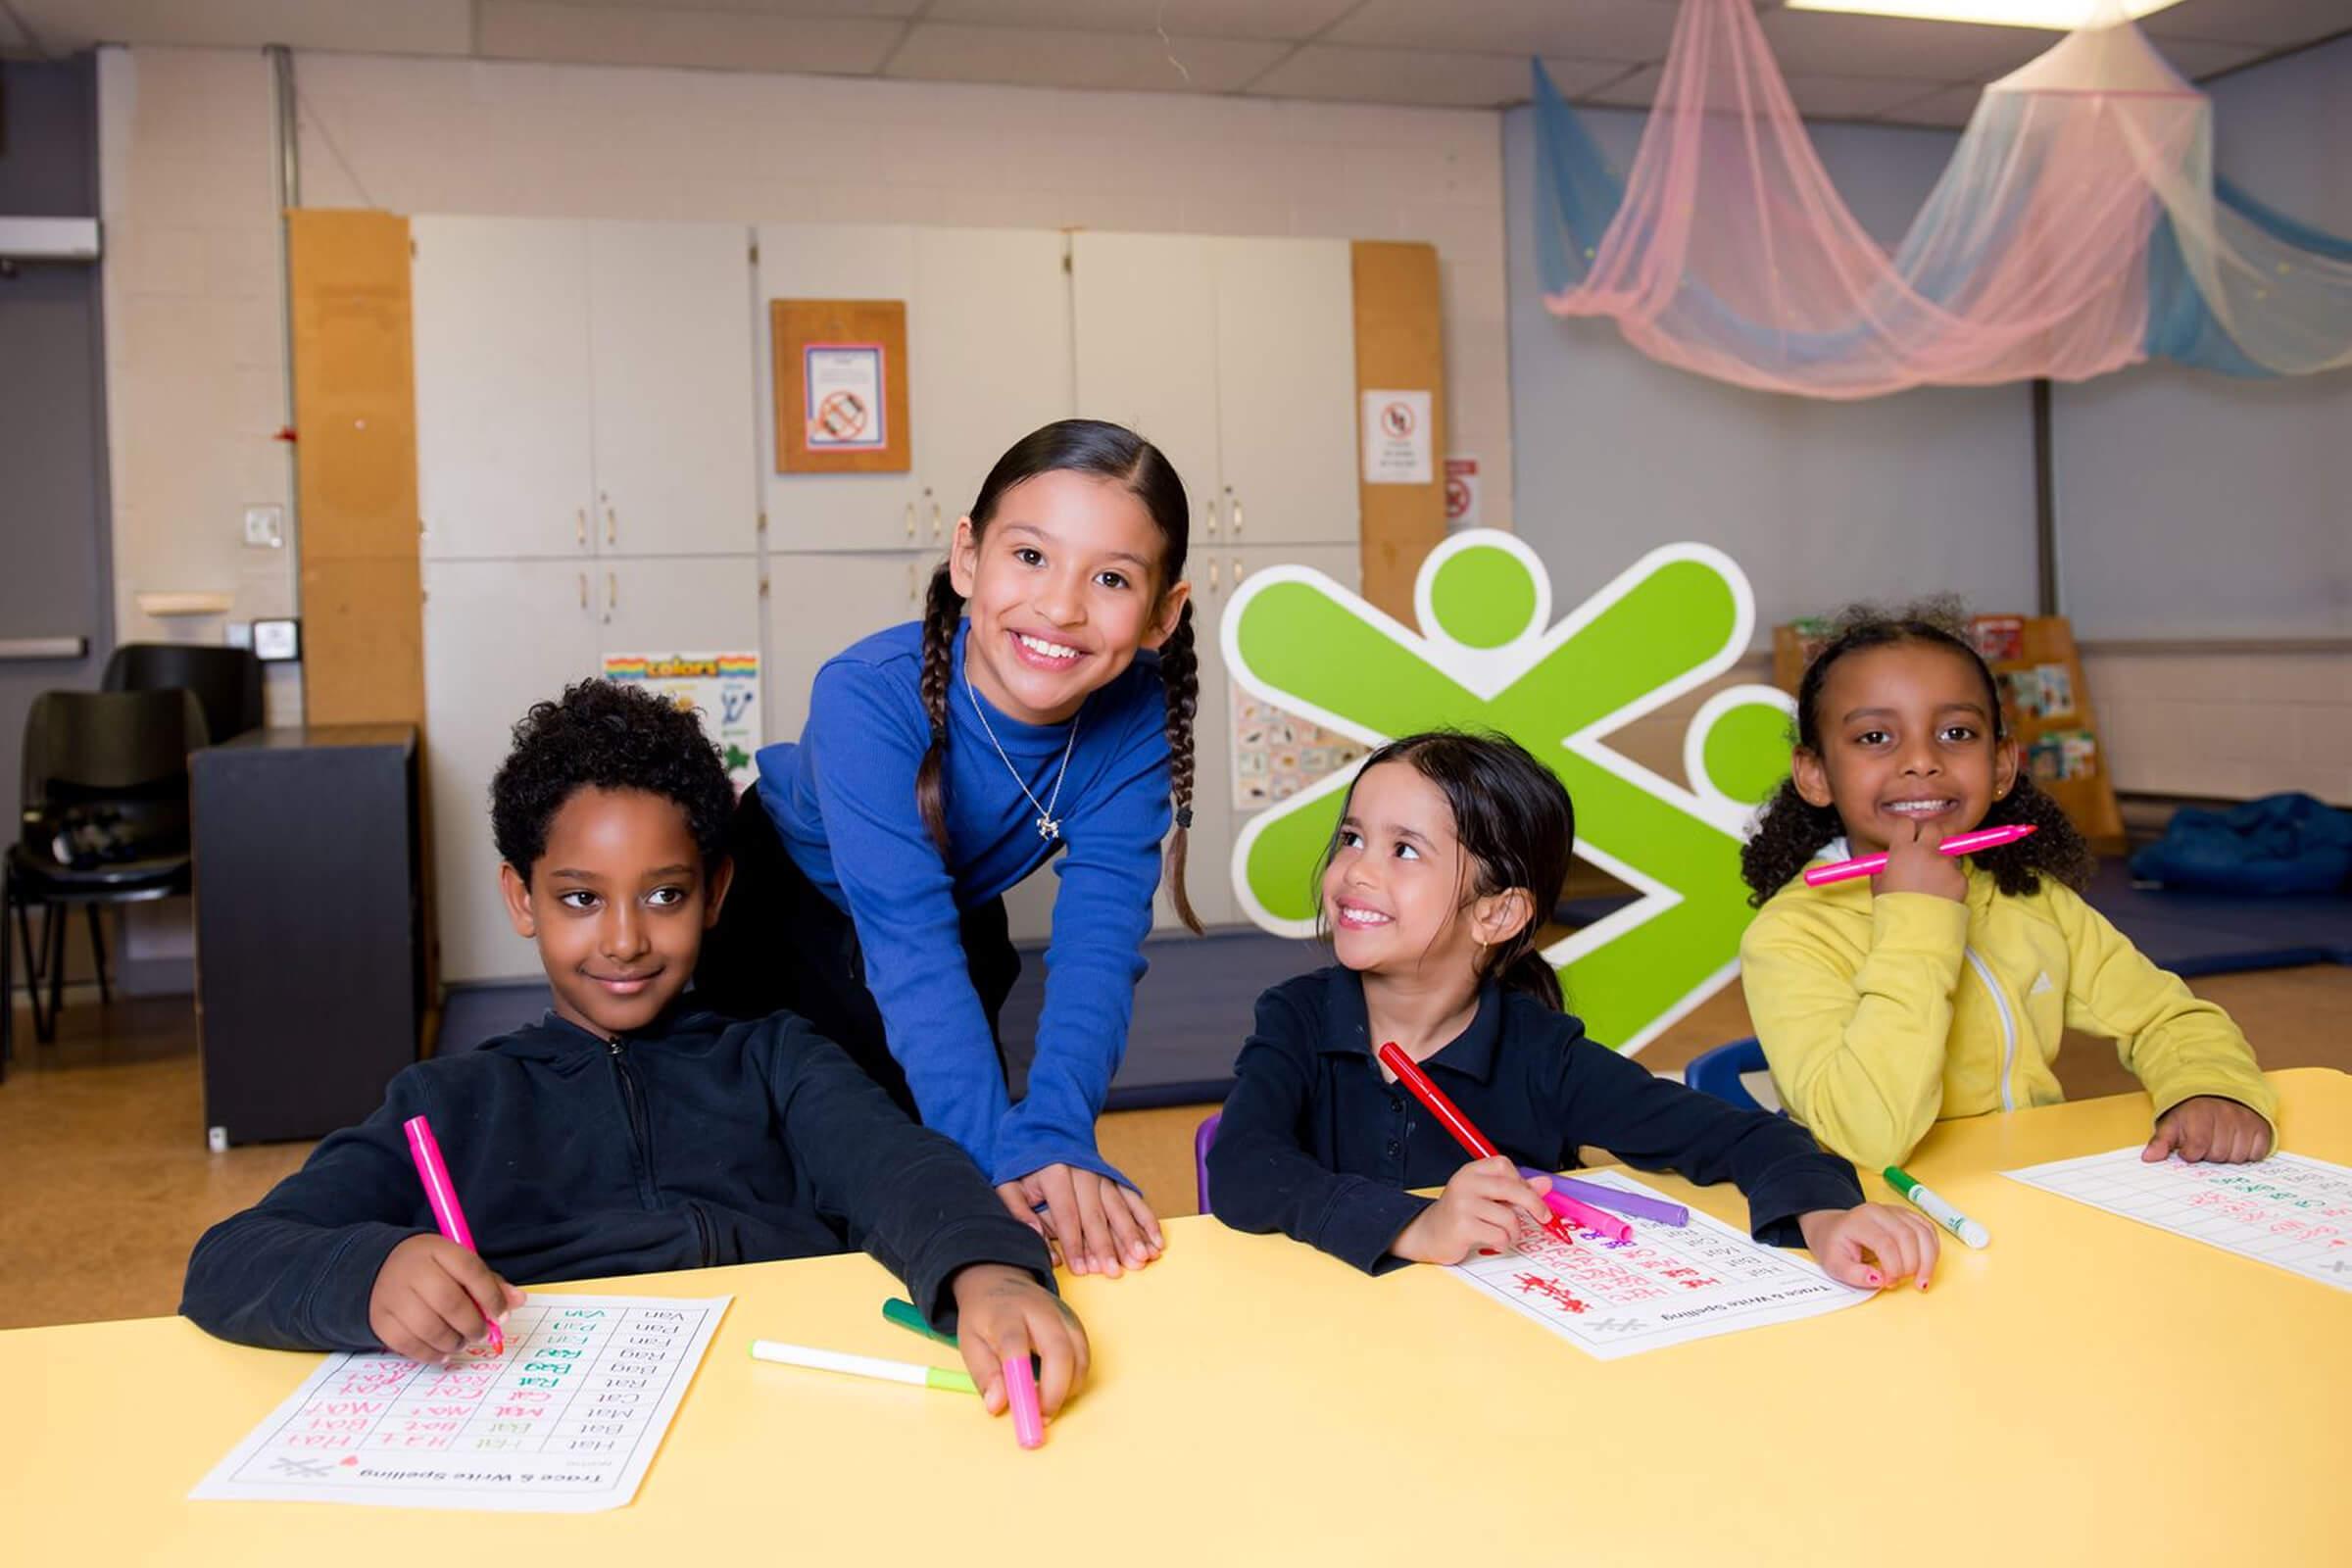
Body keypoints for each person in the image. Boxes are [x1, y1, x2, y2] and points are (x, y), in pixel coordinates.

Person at [181, 680, 1086, 1422]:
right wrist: (371, 1274)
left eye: (663, 896)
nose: (624, 941)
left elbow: (903, 1169)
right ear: (521, 898)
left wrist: (989, 1272)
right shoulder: (447, 1104)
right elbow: (231, 1261)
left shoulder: (777, 1061)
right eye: (581, 899)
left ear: (717, 892)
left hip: (782, 1424)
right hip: (551, 1452)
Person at [699, 418, 1200, 1279]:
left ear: (1162, 614)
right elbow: (908, 949)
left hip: (949, 910)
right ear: (968, 556)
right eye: (1031, 556)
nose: (1061, 606)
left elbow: (1098, 951)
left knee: (951, 1162)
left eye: (1111, 577)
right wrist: (993, 1161)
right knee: (803, 1166)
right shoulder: (865, 695)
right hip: (781, 914)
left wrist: (1053, 1137)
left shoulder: (1137, 718)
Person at [1208, 730, 1938, 1289]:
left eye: (1404, 850)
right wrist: (1416, 1225)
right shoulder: (1297, 1019)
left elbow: (1749, 1140)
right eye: (1352, 838)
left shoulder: (1542, 1056)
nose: (1355, 870)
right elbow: (1244, 1169)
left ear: (1496, 915)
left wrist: (1826, 1213)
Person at [1740, 602, 2276, 1173]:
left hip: (2033, 1186)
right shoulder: (1790, 936)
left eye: (1956, 733)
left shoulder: (2030, 898)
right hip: (1886, 1214)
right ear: (1815, 775)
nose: (1921, 760)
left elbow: (2165, 1016)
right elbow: (1867, 1138)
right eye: (1875, 736)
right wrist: (1918, 918)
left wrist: (2209, 1088)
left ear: (2000, 765)